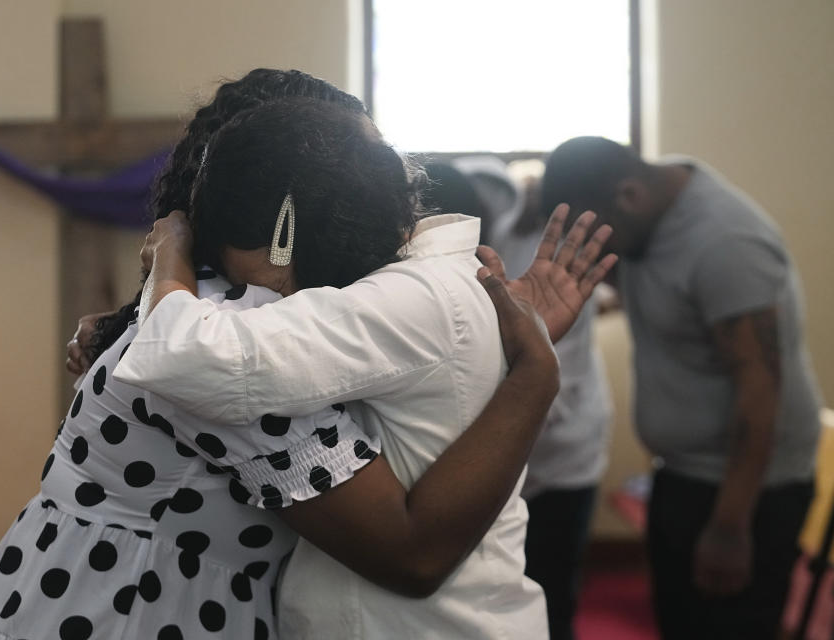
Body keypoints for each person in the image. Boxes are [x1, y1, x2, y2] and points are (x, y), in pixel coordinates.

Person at [0, 75, 613, 640]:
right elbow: (412, 551)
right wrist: (531, 375)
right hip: (124, 615)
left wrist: (485, 340)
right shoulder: (229, 336)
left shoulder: (213, 307)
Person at [112, 98, 616, 637]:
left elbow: (183, 355)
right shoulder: (436, 280)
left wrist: (171, 252)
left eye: (259, 279)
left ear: (286, 233)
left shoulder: (403, 296)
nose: (260, 299)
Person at [539, 136, 822, 639]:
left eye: (600, 237)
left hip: (747, 493)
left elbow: (760, 390)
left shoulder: (726, 242)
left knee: (729, 628)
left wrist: (731, 527)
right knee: (683, 623)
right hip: (684, 475)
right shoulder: (649, 206)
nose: (599, 251)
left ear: (628, 197)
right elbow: (661, 296)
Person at [448, 156, 614, 640]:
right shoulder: (454, 261)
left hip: (563, 450)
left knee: (552, 590)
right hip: (489, 451)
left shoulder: (547, 249)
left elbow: (559, 358)